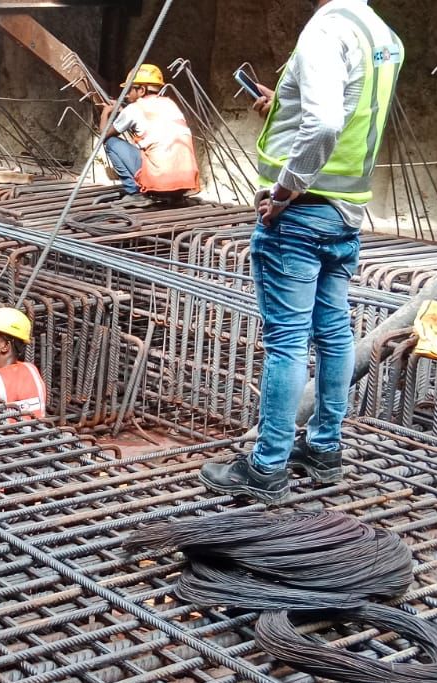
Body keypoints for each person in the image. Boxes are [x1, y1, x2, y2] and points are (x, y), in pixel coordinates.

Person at [200, 0, 403, 502]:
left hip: (301, 213)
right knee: (334, 332)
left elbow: (327, 124)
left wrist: (286, 190)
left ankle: (266, 466)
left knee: (287, 341)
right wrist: (285, 103)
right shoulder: (381, 34)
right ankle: (324, 449)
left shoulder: (325, 30)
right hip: (345, 212)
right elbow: (346, 113)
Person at [100, 64, 199, 200]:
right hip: (183, 184)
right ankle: (174, 196)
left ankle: (135, 192)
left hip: (159, 182)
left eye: (129, 89)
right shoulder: (171, 104)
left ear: (141, 90)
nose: (127, 94)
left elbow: (103, 136)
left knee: (111, 143)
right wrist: (124, 113)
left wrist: (105, 113)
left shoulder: (134, 109)